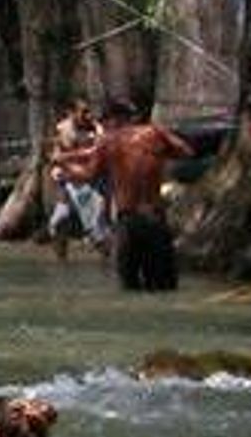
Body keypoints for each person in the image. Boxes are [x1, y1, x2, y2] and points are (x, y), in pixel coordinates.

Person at [92, 99, 192, 292]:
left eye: (105, 122)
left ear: (116, 119)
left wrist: (63, 164)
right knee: (164, 287)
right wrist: (159, 155)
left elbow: (90, 172)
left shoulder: (108, 142)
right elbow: (186, 151)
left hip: (128, 221)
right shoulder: (154, 133)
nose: (104, 127)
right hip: (154, 218)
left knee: (129, 287)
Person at [45, 99, 107, 260]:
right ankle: (61, 261)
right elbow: (55, 157)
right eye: (83, 111)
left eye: (88, 111)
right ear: (71, 113)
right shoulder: (63, 129)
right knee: (59, 222)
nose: (87, 115)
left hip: (91, 182)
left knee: (96, 230)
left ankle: (107, 260)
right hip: (68, 180)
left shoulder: (97, 129)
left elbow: (98, 156)